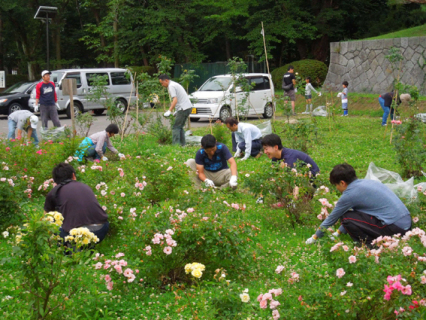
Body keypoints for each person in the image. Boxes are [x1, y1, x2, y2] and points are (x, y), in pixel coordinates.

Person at [305, 164, 412, 246]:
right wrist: (338, 233)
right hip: (405, 222)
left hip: (395, 227)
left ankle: (369, 245)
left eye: (336, 185)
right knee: (351, 215)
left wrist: (314, 238)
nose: (337, 188)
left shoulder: (350, 194)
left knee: (345, 216)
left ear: (342, 183)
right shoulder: (367, 183)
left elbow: (333, 218)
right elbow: (361, 213)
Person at [44, 163, 109, 244]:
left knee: (52, 225)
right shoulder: (84, 186)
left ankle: (71, 250)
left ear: (55, 181)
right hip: (101, 229)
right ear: (73, 175)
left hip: (77, 235)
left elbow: (46, 218)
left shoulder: (54, 192)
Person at [159, 74, 193, 146]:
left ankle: (176, 145)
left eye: (162, 83)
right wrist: (176, 111)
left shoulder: (171, 86)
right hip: (187, 107)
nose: (162, 85)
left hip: (183, 108)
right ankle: (182, 145)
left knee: (176, 127)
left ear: (166, 80)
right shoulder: (175, 84)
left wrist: (169, 110)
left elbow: (175, 100)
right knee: (179, 126)